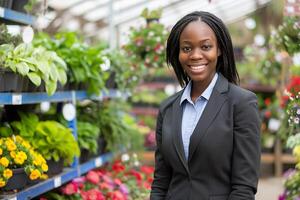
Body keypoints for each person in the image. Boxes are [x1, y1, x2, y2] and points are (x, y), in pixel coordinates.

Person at [150, 11, 261, 200]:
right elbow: (161, 181)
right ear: (178, 53)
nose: (195, 55)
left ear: (219, 49)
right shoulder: (168, 108)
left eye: (206, 46)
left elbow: (244, 187)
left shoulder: (241, 104)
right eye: (186, 48)